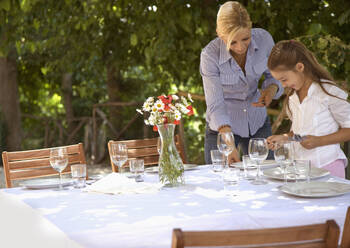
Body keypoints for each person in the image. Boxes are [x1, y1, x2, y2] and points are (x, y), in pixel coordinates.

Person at [200, 1, 283, 164]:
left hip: (258, 122)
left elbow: (276, 75)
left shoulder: (265, 39)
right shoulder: (209, 55)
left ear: (251, 28)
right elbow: (215, 104)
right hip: (223, 126)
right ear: (219, 34)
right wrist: (229, 145)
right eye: (232, 42)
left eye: (246, 38)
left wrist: (271, 90)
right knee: (219, 180)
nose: (241, 47)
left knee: (266, 177)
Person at [266, 40, 350, 178]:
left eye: (284, 79)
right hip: (300, 170)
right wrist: (286, 137)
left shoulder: (328, 92)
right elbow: (299, 131)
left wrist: (319, 141)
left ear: (299, 67)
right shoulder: (292, 97)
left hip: (327, 167)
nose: (283, 85)